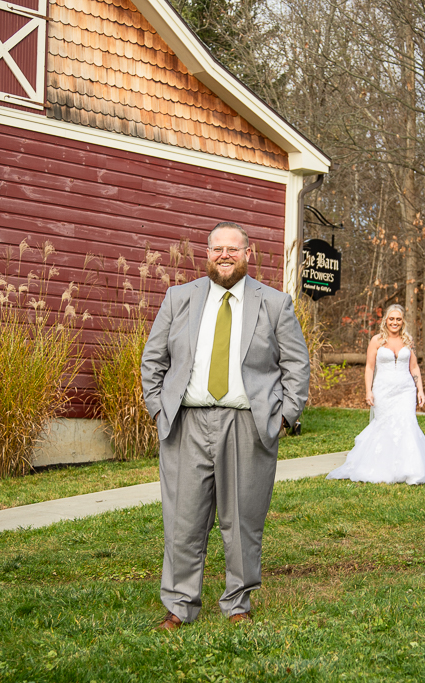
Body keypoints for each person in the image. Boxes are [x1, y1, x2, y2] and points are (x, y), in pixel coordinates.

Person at [141, 222, 310, 631]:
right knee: (183, 520)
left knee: (243, 520)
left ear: (247, 254)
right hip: (186, 424)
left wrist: (283, 417)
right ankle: (179, 606)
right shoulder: (179, 298)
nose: (224, 255)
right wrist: (159, 411)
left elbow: (296, 366)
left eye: (233, 248)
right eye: (217, 248)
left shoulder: (274, 303)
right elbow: (153, 361)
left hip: (248, 426)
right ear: (208, 252)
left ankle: (238, 603)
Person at [326, 304, 425, 485]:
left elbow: (414, 367)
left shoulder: (408, 340)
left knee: (407, 425)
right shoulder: (377, 341)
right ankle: (383, 468)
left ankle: (410, 469)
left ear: (402, 321)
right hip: (383, 391)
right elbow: (370, 367)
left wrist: (420, 389)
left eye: (398, 319)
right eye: (391, 319)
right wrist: (368, 390)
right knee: (384, 426)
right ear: (385, 320)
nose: (395, 322)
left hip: (405, 390)